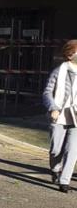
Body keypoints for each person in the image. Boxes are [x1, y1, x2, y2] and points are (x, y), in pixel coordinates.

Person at [42, 40, 77, 193]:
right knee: (56, 149)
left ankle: (64, 181)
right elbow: (47, 92)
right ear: (70, 54)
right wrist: (53, 108)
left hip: (75, 117)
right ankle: (55, 169)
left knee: (72, 150)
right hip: (59, 116)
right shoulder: (59, 71)